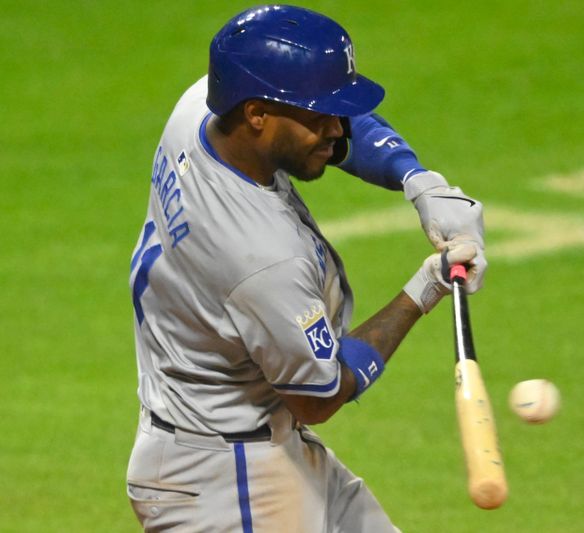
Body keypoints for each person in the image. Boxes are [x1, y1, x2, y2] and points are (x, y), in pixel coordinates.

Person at [126, 5, 486, 532]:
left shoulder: (199, 111)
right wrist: (424, 288)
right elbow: (320, 394)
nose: (337, 129)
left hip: (243, 443)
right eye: (320, 117)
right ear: (256, 114)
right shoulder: (259, 257)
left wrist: (417, 181)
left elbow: (340, 127)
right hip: (230, 489)